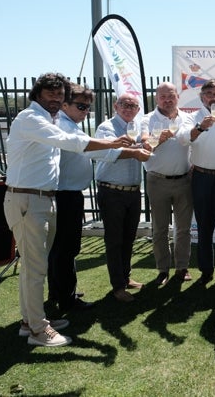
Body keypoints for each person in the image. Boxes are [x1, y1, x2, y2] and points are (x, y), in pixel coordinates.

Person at [4, 72, 133, 346]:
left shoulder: (49, 119)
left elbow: (78, 146)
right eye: (50, 94)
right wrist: (114, 143)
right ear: (37, 94)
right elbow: (74, 144)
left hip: (42, 198)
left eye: (60, 96)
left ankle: (31, 322)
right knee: (36, 267)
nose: (55, 100)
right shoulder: (31, 119)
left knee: (33, 267)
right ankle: (38, 329)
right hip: (28, 199)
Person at [48, 84, 149, 312]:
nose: (85, 111)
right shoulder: (103, 127)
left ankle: (67, 291)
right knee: (108, 242)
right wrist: (134, 151)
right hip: (102, 191)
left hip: (126, 191)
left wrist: (146, 144)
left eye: (87, 107)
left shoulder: (73, 125)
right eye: (81, 106)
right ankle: (111, 287)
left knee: (124, 240)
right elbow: (101, 151)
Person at [177, 79, 215, 283]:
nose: (214, 97)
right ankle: (206, 271)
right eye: (209, 93)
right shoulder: (192, 117)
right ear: (202, 97)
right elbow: (184, 138)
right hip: (203, 178)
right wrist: (201, 127)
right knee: (204, 228)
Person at [95, 93, 148, 303]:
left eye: (133, 105)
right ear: (116, 106)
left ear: (138, 109)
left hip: (132, 192)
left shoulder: (137, 127)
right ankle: (117, 286)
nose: (129, 108)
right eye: (125, 104)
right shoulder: (106, 128)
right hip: (112, 191)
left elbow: (146, 146)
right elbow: (109, 151)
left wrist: (153, 143)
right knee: (114, 240)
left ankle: (125, 278)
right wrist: (136, 151)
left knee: (128, 238)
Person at [141, 82, 193, 286]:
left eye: (170, 95)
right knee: (160, 229)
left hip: (183, 180)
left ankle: (182, 267)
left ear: (177, 97)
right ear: (156, 98)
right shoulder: (147, 119)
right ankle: (163, 270)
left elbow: (196, 142)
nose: (167, 99)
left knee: (183, 229)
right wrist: (161, 137)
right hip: (157, 180)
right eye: (162, 96)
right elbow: (145, 144)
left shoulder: (188, 118)